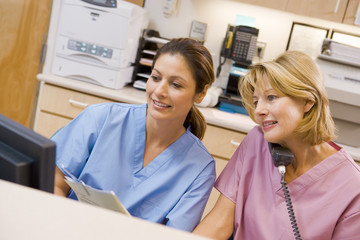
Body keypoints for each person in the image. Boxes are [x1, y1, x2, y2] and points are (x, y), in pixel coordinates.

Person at [52, 38, 216, 232]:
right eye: (155, 78)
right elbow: (54, 181)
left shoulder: (199, 169)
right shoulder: (102, 119)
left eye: (176, 85)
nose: (159, 91)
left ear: (201, 93)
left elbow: (175, 235)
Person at [193, 50, 360, 239]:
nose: (259, 111)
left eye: (271, 97)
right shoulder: (257, 142)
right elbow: (218, 224)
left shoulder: (352, 187)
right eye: (256, 101)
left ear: (307, 102)